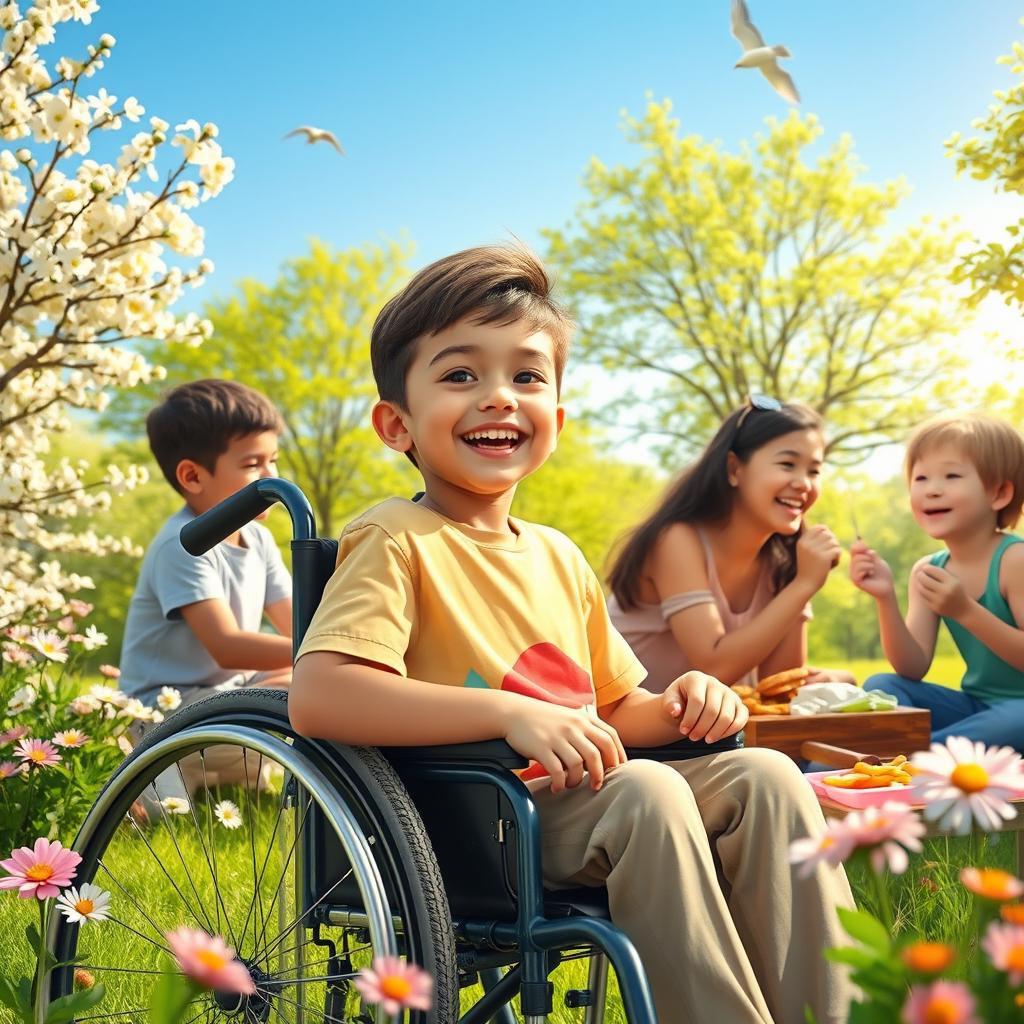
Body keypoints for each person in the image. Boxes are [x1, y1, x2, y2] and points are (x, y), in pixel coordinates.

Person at [289, 244, 854, 1024]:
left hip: (587, 796)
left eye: (526, 376)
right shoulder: (395, 537)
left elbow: (618, 713)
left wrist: (688, 700)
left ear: (555, 416)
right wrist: (507, 714)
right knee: (649, 790)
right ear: (397, 423)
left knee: (767, 777)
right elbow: (320, 697)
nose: (498, 398)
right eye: (460, 376)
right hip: (477, 823)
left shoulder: (556, 554)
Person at [607, 398, 852, 693]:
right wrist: (804, 584)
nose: (803, 483)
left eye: (814, 471)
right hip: (629, 731)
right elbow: (713, 667)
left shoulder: (782, 561)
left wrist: (834, 678)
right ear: (735, 469)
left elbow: (776, 686)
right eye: (787, 464)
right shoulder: (677, 540)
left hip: (705, 733)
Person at [119, 379, 293, 784]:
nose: (273, 477)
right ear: (193, 477)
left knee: (315, 684)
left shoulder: (259, 539)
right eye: (253, 465)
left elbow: (300, 622)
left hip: (219, 697)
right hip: (161, 713)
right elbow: (227, 646)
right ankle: (154, 779)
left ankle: (234, 775)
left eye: (274, 460)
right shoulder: (181, 545)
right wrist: (318, 651)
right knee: (306, 686)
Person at [850, 413, 1024, 751]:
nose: (932, 490)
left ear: (999, 493)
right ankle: (918, 752)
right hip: (977, 708)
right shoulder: (929, 570)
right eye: (921, 477)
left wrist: (965, 611)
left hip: (1019, 713)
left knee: (1019, 720)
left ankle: (903, 758)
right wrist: (885, 598)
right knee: (882, 685)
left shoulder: (1015, 560)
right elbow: (912, 667)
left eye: (952, 475)